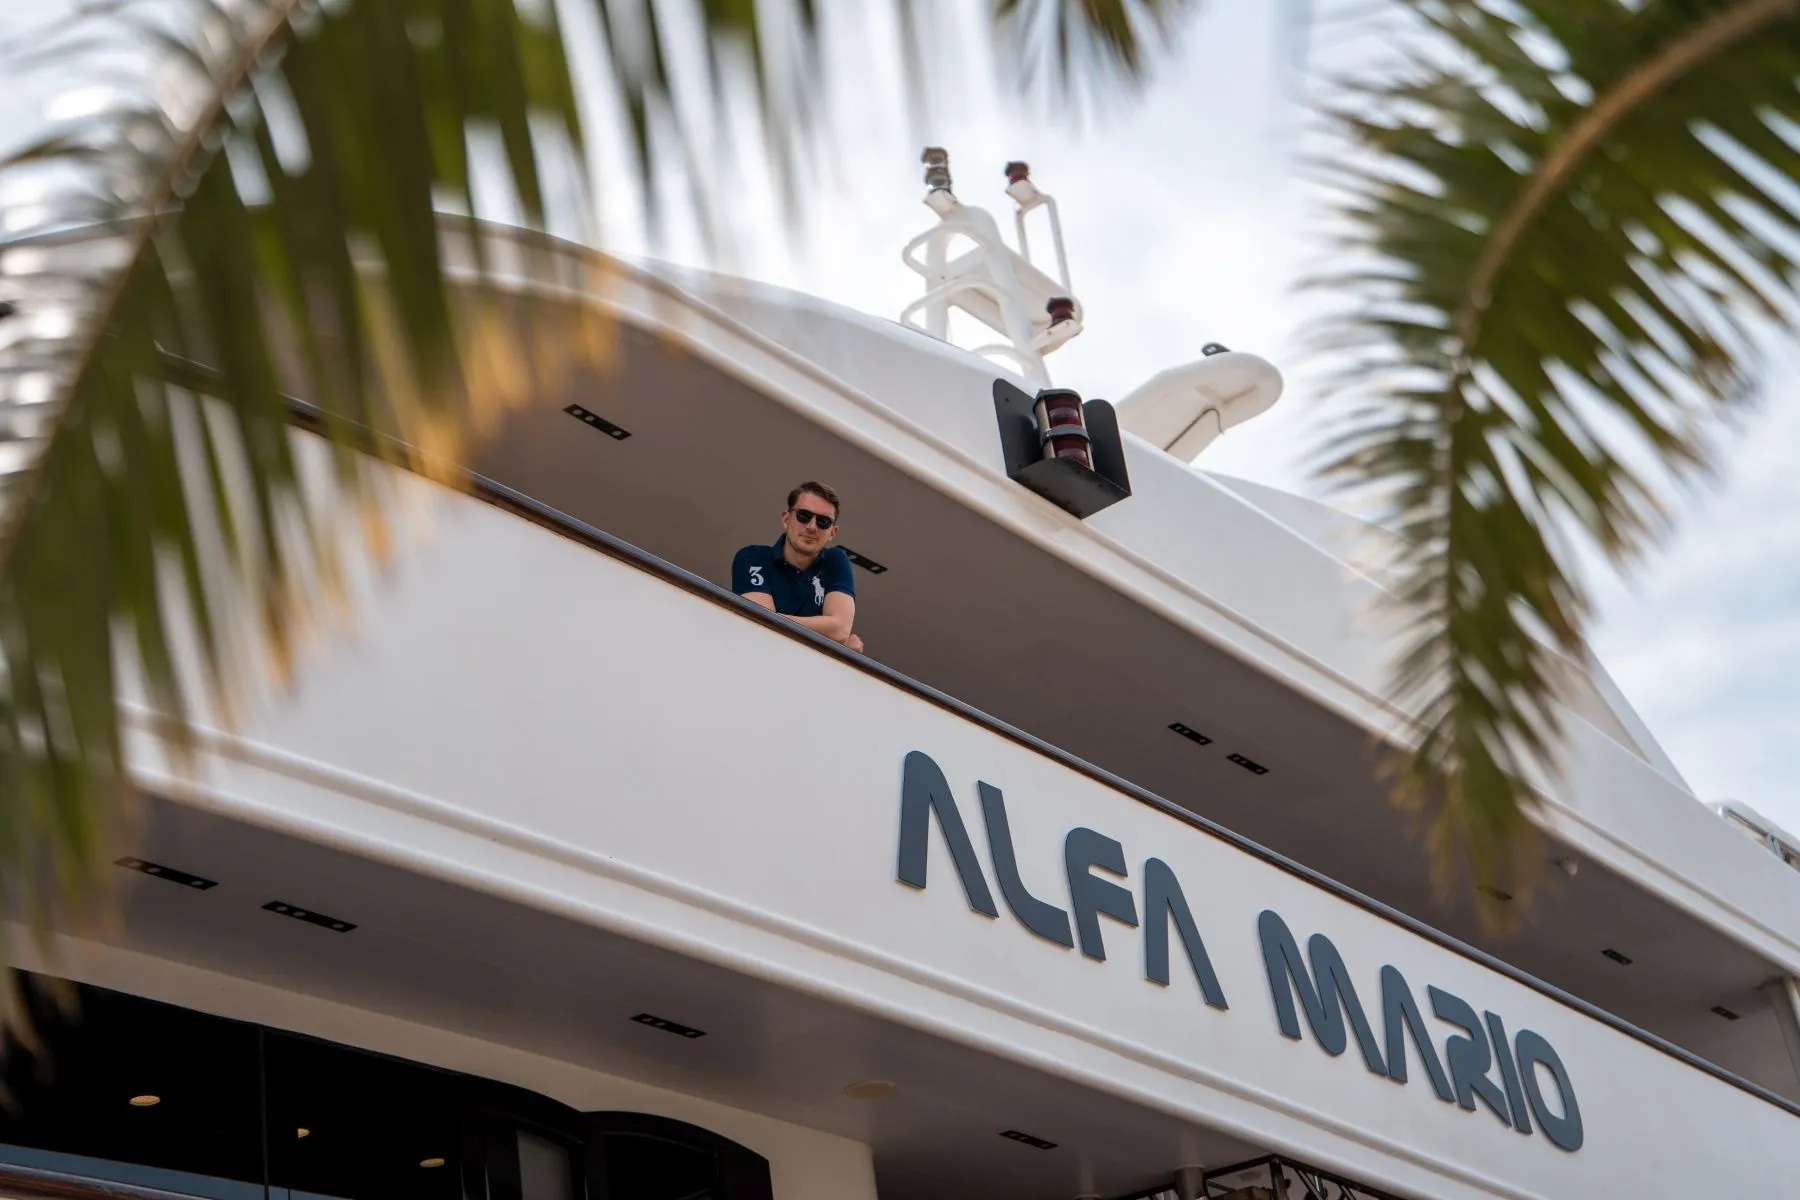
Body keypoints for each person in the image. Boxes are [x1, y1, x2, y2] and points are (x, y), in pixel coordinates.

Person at [732, 482, 863, 653]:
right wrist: (830, 636)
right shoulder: (752, 557)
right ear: (786, 519)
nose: (812, 527)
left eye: (823, 521)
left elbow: (840, 629)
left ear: (832, 532)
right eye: (803, 516)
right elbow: (762, 623)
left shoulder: (835, 560)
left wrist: (778, 618)